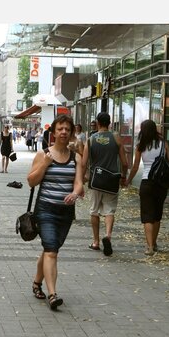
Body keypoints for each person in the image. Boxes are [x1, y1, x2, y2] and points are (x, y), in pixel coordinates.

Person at [27, 114, 83, 310]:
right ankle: (52, 295)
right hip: (46, 210)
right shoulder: (43, 154)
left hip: (66, 212)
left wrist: (75, 193)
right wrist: (45, 164)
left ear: (71, 132)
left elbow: (79, 183)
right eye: (60, 129)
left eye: (67, 129)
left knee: (50, 249)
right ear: (53, 132)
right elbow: (31, 181)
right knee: (51, 251)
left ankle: (37, 283)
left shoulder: (76, 157)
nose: (64, 132)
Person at [82, 111, 128, 256]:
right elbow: (125, 163)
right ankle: (107, 236)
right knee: (109, 211)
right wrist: (123, 177)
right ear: (109, 123)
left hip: (96, 180)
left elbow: (83, 163)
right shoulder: (116, 138)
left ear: (98, 123)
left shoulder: (91, 139)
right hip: (112, 180)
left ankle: (96, 242)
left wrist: (81, 179)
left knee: (94, 210)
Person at [126, 120, 169, 255]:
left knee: (147, 215)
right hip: (161, 183)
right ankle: (154, 243)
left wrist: (128, 181)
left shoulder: (141, 145)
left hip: (146, 182)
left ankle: (150, 247)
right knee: (157, 215)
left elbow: (135, 167)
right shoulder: (163, 144)